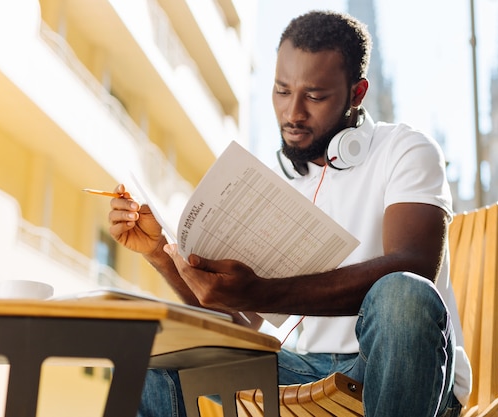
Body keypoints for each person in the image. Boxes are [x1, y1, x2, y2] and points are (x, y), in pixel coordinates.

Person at [109, 10, 471, 417]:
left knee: (403, 293)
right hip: (308, 371)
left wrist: (260, 291)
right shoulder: (271, 185)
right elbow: (241, 322)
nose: (293, 112)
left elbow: (415, 266)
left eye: (314, 96)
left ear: (357, 94)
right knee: (153, 365)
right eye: (282, 91)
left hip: (405, 375)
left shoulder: (406, 149)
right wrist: (159, 251)